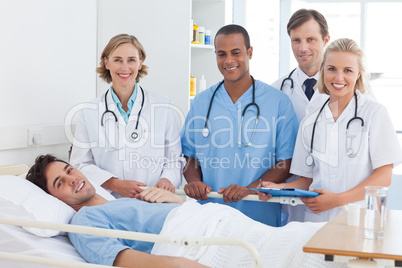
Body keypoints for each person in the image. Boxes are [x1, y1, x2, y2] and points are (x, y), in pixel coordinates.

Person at [26, 154, 343, 268]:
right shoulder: (83, 222)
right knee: (298, 249)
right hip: (201, 242)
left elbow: (179, 211)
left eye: (69, 170)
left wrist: (173, 201)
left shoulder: (113, 200)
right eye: (60, 182)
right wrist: (180, 266)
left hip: (215, 220)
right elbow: (123, 259)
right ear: (57, 199)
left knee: (301, 237)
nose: (74, 179)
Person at [259, 38, 402, 222]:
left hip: (357, 221)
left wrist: (337, 200)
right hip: (316, 223)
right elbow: (307, 179)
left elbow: (384, 176)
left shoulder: (374, 114)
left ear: (358, 74)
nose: (338, 77)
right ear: (323, 71)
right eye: (332, 69)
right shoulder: (311, 121)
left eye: (347, 70)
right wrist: (277, 189)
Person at [180, 24, 299, 226]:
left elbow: (286, 162)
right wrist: (194, 182)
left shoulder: (278, 102)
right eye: (221, 54)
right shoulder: (201, 102)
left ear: (249, 52)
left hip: (259, 214)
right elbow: (189, 156)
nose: (228, 61)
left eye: (236, 53)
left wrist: (250, 189)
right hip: (209, 215)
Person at [70, 34, 183, 198]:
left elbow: (174, 159)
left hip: (154, 200)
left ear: (140, 62)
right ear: (106, 62)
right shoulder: (89, 112)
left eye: (131, 60)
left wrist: (167, 179)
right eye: (117, 60)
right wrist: (115, 184)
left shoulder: (164, 107)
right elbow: (80, 164)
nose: (125, 67)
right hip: (110, 201)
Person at [271, 9, 330, 123]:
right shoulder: (276, 90)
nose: (303, 48)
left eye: (310, 39)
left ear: (325, 40)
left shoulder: (350, 87)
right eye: (296, 40)